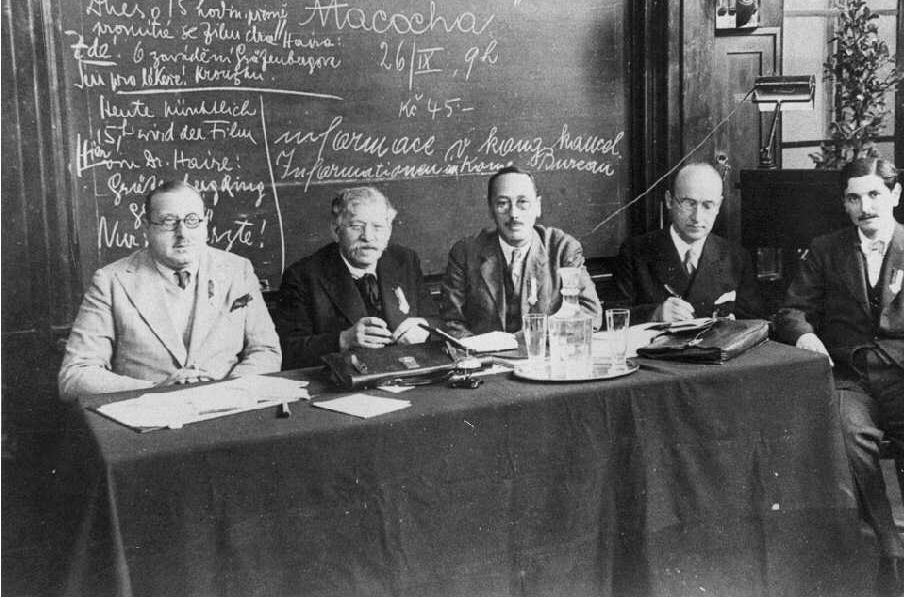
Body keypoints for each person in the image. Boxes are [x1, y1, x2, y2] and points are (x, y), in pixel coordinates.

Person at [775, 158, 904, 597]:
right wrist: (805, 336)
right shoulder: (825, 250)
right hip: (850, 378)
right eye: (854, 198)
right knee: (844, 441)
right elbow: (792, 311)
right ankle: (889, 547)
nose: (865, 207)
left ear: (895, 194)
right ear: (845, 203)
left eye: (874, 194)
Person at [58, 181, 281, 400]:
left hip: (226, 407)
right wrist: (156, 389)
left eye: (192, 220)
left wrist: (227, 390)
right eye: (168, 222)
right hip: (148, 414)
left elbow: (266, 351)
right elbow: (74, 376)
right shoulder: (110, 281)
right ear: (146, 228)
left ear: (205, 224)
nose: (182, 233)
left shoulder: (237, 270)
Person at [274, 186, 439, 368]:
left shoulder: (405, 260)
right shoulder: (303, 276)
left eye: (377, 227)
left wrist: (424, 327)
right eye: (356, 227)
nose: (368, 237)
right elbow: (288, 351)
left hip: (407, 374)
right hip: (346, 379)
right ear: (336, 231)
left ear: (389, 231)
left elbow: (438, 321)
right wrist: (343, 340)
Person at [442, 165, 601, 339]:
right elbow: (452, 323)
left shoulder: (562, 249)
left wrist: (529, 337)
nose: (514, 214)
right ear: (490, 209)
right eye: (502, 204)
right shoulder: (465, 253)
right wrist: (479, 349)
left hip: (545, 352)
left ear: (537, 206)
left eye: (523, 202)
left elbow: (590, 314)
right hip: (485, 355)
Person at [615, 162, 763, 324]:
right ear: (669, 200)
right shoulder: (635, 252)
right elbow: (613, 317)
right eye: (689, 203)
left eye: (707, 206)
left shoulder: (737, 258)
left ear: (718, 206)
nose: (697, 217)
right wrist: (655, 314)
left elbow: (754, 323)